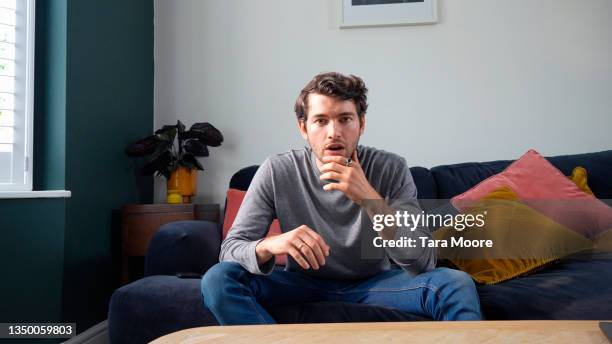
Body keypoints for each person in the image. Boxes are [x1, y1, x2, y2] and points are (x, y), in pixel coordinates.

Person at [201, 72, 482, 324]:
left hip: (377, 284)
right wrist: (274, 243)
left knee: (455, 283)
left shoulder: (391, 167)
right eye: (321, 121)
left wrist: (369, 199)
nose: (333, 132)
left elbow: (423, 262)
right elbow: (230, 251)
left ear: (361, 124)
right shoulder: (278, 170)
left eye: (345, 119)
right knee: (218, 280)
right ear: (303, 128)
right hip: (300, 283)